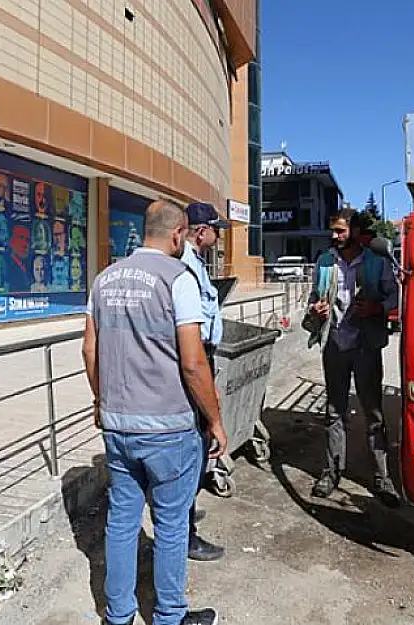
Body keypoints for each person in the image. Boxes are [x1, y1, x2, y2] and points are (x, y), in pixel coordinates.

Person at [82, 199, 227, 625]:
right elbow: (193, 362)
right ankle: (169, 616)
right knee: (170, 525)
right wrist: (215, 419)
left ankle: (119, 615)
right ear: (179, 234)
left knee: (123, 522)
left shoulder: (103, 279)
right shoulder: (177, 279)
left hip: (118, 426)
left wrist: (100, 400)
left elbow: (90, 348)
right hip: (168, 429)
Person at [305, 208, 401, 507]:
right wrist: (315, 310)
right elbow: (313, 299)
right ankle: (331, 472)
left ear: (356, 231)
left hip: (365, 347)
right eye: (332, 231)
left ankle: (383, 478)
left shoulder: (376, 261)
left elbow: (395, 296)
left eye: (340, 231)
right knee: (334, 412)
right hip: (334, 345)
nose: (334, 236)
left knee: (373, 414)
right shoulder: (324, 261)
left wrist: (377, 309)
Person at [180, 202, 230, 562]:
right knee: (196, 444)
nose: (218, 236)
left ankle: (183, 513)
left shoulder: (197, 263)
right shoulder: (184, 266)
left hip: (202, 354)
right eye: (216, 230)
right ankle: (184, 534)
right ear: (201, 231)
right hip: (195, 359)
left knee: (199, 443)